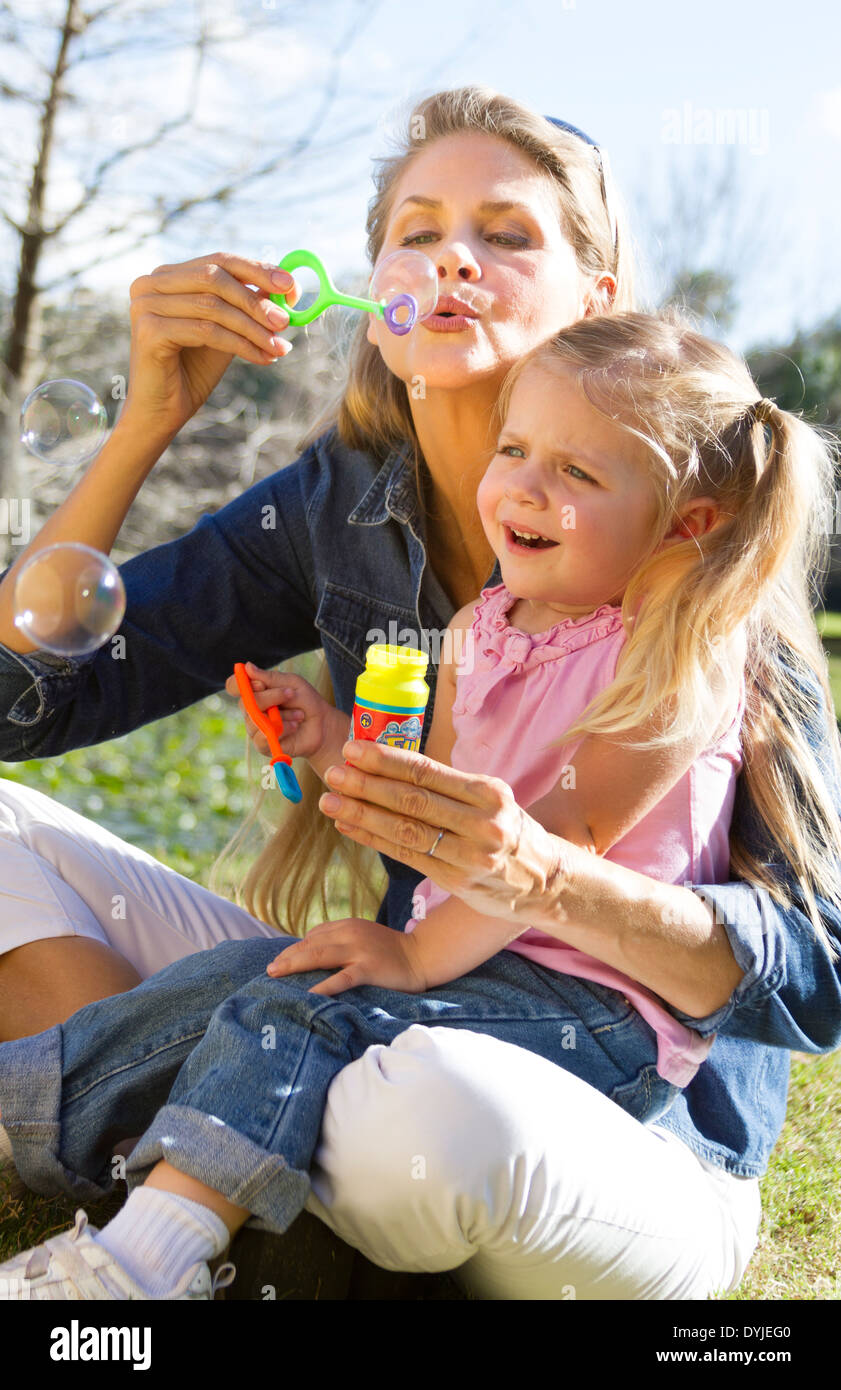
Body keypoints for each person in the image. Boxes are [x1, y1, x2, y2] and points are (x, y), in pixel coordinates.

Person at [0, 86, 838, 1300]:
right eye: (417, 228)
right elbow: (26, 704)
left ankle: (131, 1138)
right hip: (401, 988)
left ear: (596, 305)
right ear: (374, 299)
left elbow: (815, 971)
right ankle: (205, 1164)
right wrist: (145, 425)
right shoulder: (332, 508)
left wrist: (551, 875)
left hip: (610, 1106)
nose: (452, 257)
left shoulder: (697, 553)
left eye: (506, 234)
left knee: (414, 1116)